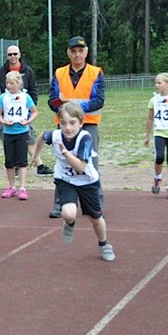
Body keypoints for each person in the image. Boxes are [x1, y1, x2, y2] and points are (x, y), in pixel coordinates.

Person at [33, 102, 115, 262]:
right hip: (66, 180)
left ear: (81, 123)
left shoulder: (85, 138)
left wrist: (65, 152)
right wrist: (36, 155)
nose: (68, 128)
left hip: (87, 181)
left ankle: (104, 244)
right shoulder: (56, 135)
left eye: (72, 123)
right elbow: (42, 136)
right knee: (68, 213)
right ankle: (69, 223)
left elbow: (81, 166)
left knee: (96, 219)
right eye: (63, 123)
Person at [47, 36, 105, 218]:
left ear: (86, 52)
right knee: (62, 162)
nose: (77, 54)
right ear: (68, 53)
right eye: (74, 51)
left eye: (81, 51)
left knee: (90, 163)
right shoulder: (59, 73)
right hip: (65, 126)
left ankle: (95, 203)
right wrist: (64, 111)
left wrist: (75, 109)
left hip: (88, 124)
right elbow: (51, 99)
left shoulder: (96, 73)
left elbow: (99, 100)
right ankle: (60, 203)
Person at [0, 44, 53, 178]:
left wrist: (31, 107)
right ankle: (18, 166)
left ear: (19, 55)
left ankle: (39, 165)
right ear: (7, 56)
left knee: (28, 139)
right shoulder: (1, 71)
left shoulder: (27, 70)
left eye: (15, 54)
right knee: (9, 140)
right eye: (10, 54)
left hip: (23, 114)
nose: (13, 57)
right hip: (7, 115)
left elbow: (33, 89)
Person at [0, 71, 38, 200]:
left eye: (11, 83)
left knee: (22, 161)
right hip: (8, 132)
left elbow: (35, 112)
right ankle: (11, 187)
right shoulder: (3, 97)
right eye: (7, 83)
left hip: (22, 131)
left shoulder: (26, 97)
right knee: (9, 161)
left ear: (18, 83)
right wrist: (3, 122)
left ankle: (23, 188)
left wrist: (28, 121)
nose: (8, 85)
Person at [143, 72, 168, 200]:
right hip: (159, 132)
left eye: (159, 83)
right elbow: (150, 119)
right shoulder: (154, 100)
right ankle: (157, 178)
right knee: (159, 157)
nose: (156, 85)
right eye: (156, 83)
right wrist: (147, 135)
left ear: (167, 84)